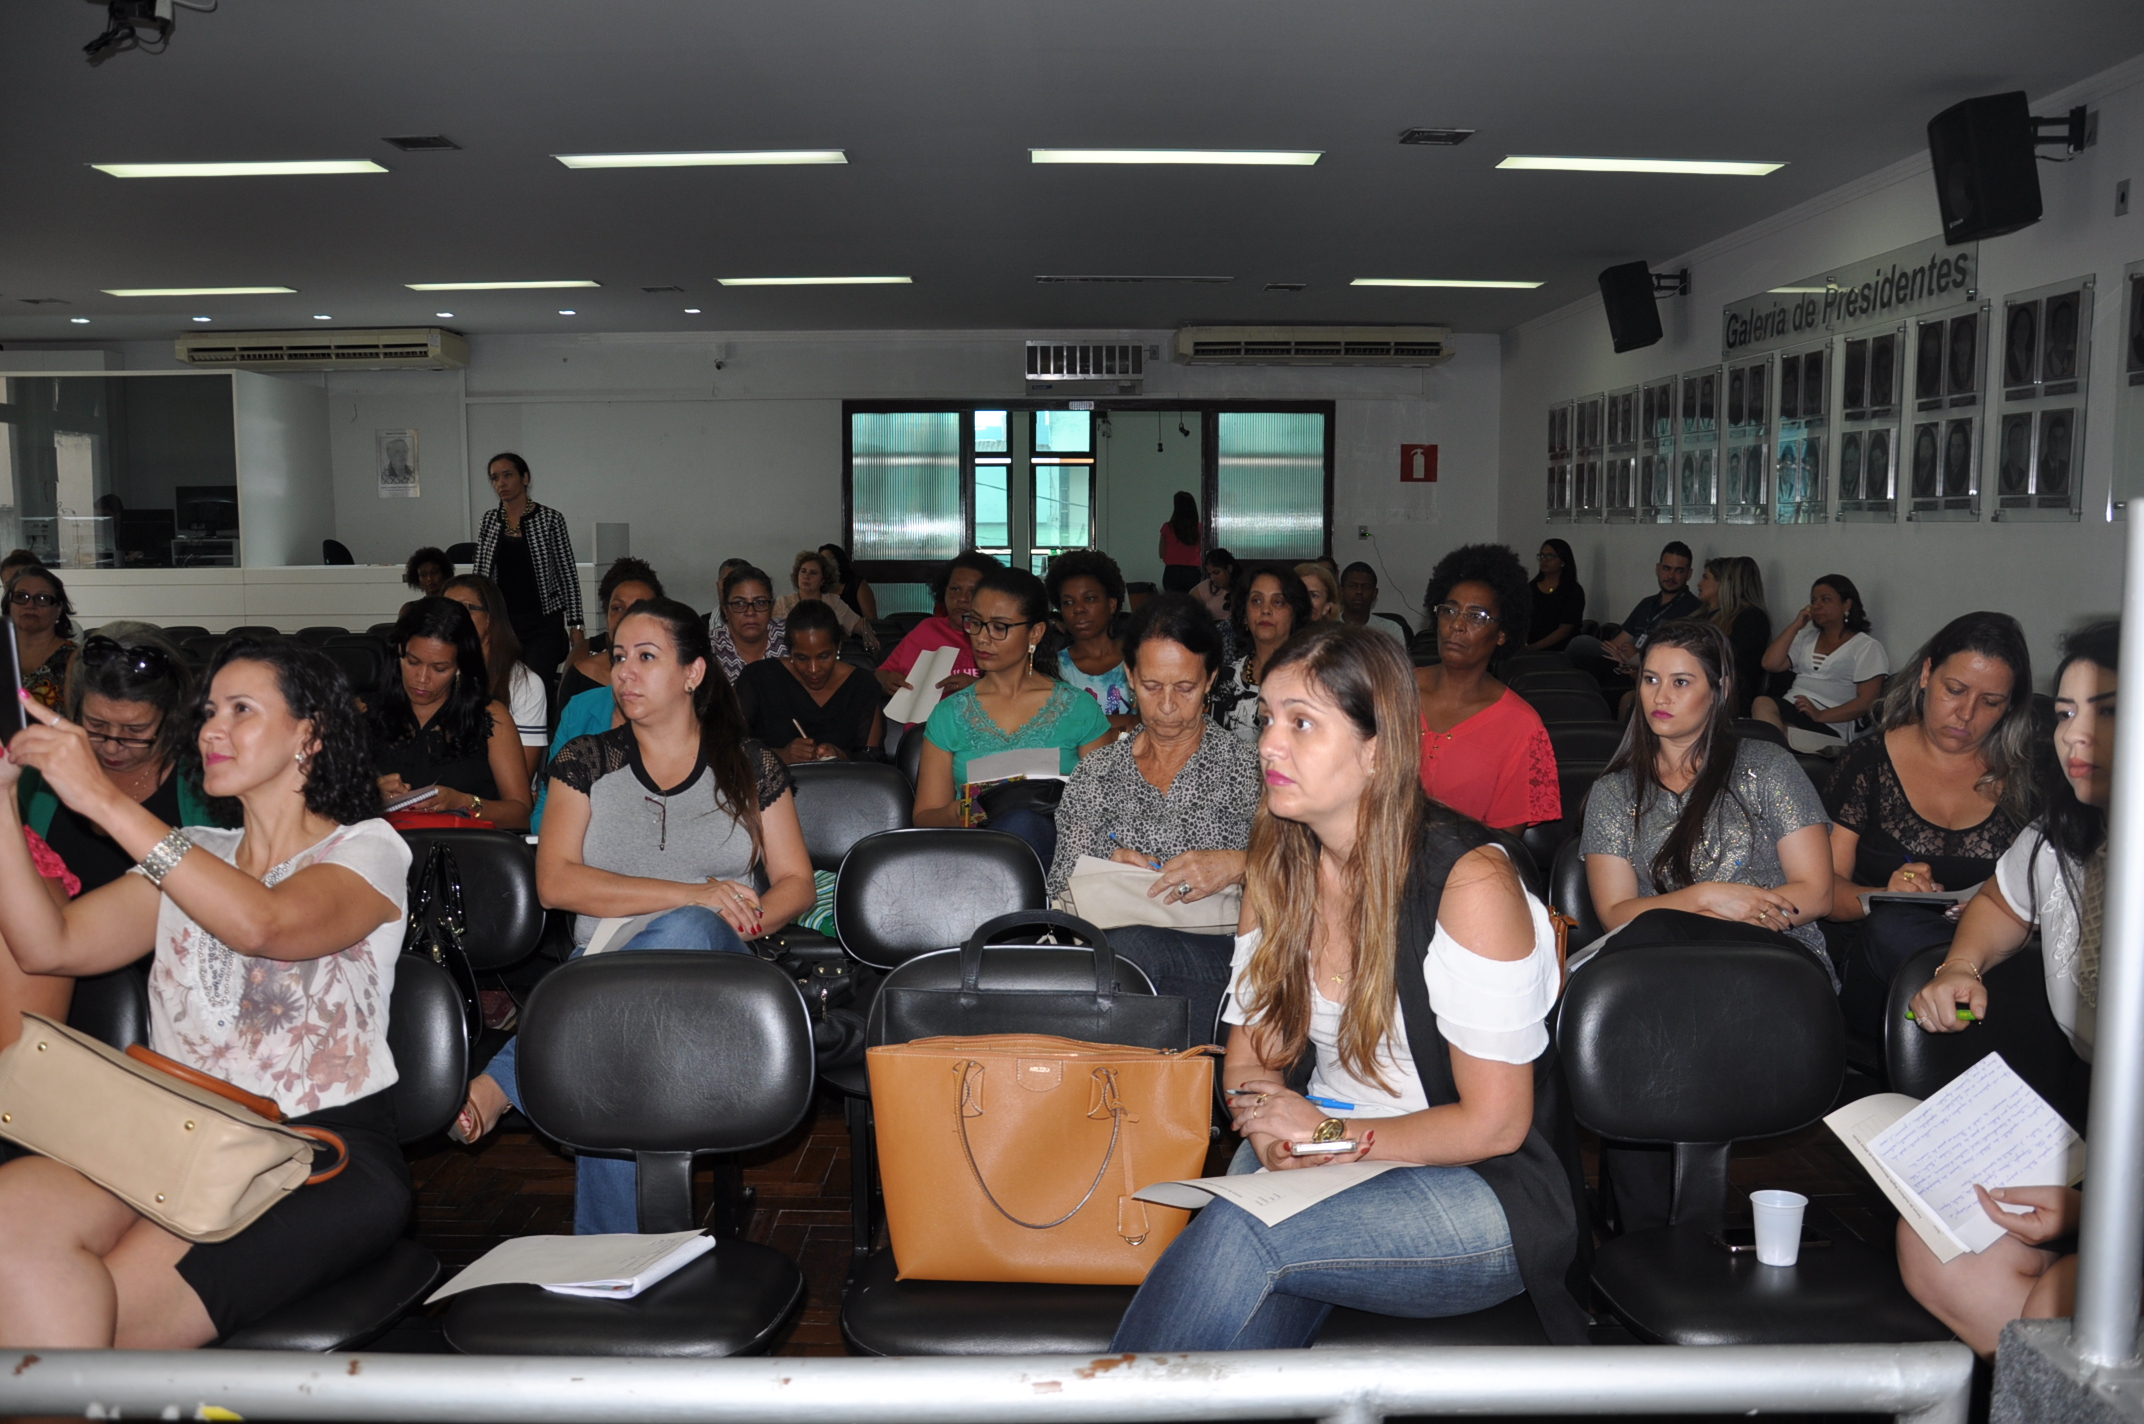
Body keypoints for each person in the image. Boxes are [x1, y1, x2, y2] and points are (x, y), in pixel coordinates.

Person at [1110, 622, 1587, 1350]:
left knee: (1241, 1233)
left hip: (1475, 1190)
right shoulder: (1281, 863)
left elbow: (1495, 1125)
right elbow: (1249, 1061)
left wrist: (1327, 1134)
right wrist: (1268, 1125)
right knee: (1242, 1293)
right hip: (1317, 1150)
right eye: (1268, 718)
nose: (1269, 742)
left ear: (1376, 749)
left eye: (1302, 722)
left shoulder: (1470, 880)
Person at [0, 637, 412, 1348]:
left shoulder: (367, 850)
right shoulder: (197, 851)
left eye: (242, 710)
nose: (213, 728)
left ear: (309, 733)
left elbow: (262, 923)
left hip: (312, 1152)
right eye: (210, 710)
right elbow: (50, 945)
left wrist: (100, 797)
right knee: (12, 1226)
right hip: (174, 1134)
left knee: (97, 1323)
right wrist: (3, 802)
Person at [453, 599, 815, 1234]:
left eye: (647, 657)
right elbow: (555, 883)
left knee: (691, 934)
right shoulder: (585, 762)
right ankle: (610, 1268)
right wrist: (690, 893)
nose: (625, 672)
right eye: (619, 657)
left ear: (693, 673)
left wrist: (730, 917)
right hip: (603, 971)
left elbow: (796, 884)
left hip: (720, 974)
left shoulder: (750, 764)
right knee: (619, 1049)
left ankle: (511, 1073)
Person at [1895, 622, 2114, 1355]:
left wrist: (2092, 1212)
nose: (2077, 736)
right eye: (2067, 714)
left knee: (2058, 1303)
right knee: (1937, 1243)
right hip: (2102, 1125)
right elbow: (2002, 901)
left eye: (2108, 711)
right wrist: (1961, 965)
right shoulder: (2066, 831)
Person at [1578, 618, 1833, 1231]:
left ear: (1717, 692)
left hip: (1769, 970)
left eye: (1682, 682)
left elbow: (1816, 893)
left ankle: (1661, 1235)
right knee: (1634, 1014)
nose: (1660, 697)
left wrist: (1742, 912)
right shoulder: (1616, 792)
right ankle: (1640, 1239)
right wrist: (1708, 897)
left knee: (1646, 1001)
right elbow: (1615, 914)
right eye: (1650, 680)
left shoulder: (1766, 766)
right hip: (1663, 978)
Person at [1045, 594, 1262, 1034]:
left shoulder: (1251, 770)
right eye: (1150, 686)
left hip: (1223, 955)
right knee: (1118, 956)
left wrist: (1240, 866)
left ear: (1210, 681)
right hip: (1113, 960)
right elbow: (1059, 891)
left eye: (1184, 688)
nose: (1166, 705)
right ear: (1129, 677)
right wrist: (1105, 868)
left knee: (1134, 951)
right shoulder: (1097, 773)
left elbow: (1310, 871)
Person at [1826, 612, 2038, 1041]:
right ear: (1926, 675)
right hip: (1881, 965)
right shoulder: (1866, 762)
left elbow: (2053, 890)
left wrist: (2001, 909)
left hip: (1991, 960)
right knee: (1895, 926)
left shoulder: (2028, 779)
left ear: (2010, 706)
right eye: (1954, 690)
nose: (1965, 713)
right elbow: (1823, 891)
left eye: (1991, 702)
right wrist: (1881, 897)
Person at [912, 567, 1112, 867]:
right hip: (974, 855)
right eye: (975, 623)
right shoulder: (950, 714)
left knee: (1022, 824)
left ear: (1035, 633)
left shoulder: (1079, 709)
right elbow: (925, 818)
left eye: (999, 627)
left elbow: (1107, 809)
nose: (982, 638)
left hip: (1060, 858)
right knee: (1014, 827)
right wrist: (962, 811)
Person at [17, 625, 220, 894]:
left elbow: (210, 888)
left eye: (135, 731)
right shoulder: (38, 777)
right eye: (96, 725)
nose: (112, 747)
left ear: (172, 717)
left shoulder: (206, 784)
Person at [1413, 545, 1559, 833]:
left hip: (1464, 871)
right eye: (1449, 610)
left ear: (1503, 634)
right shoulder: (1391, 689)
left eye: (1476, 616)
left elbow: (1504, 844)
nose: (1456, 625)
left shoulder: (1520, 725)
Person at [367, 598, 532, 831]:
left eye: (439, 668)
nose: (422, 679)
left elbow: (522, 814)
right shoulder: (365, 713)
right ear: (399, 654)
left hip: (466, 856)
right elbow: (321, 808)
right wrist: (369, 797)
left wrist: (465, 803)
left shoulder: (490, 717)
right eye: (413, 662)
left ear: (460, 667)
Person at [472, 452, 584, 688]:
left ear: (525, 478)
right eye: (494, 478)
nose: (501, 483)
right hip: (503, 624)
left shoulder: (551, 519)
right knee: (499, 687)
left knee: (535, 687)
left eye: (508, 475)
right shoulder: (490, 521)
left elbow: (567, 574)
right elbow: (480, 574)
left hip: (543, 624)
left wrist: (576, 625)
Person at [735, 599, 886, 763]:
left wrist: (841, 756)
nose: (813, 669)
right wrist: (781, 755)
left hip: (842, 786)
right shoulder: (758, 678)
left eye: (824, 656)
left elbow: (873, 760)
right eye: (801, 658)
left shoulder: (863, 685)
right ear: (789, 650)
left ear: (839, 646)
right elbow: (729, 746)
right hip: (770, 787)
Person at [1754, 574, 1888, 751]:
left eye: (1825, 600)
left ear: (1847, 604)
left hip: (1831, 724)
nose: (1816, 606)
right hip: (1791, 712)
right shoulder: (1806, 638)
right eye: (1813, 600)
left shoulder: (1866, 646)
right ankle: (1774, 765)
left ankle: (1771, 766)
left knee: (1771, 722)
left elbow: (1866, 703)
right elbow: (1770, 664)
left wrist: (1820, 715)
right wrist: (1796, 626)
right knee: (1771, 720)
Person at [442, 574, 546, 784]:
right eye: (444, 609)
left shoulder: (525, 685)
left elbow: (519, 781)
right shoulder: (437, 675)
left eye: (463, 608)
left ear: (490, 618)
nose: (450, 618)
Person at [875, 550, 998, 704]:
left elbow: (1019, 690)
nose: (961, 599)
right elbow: (880, 674)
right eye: (955, 589)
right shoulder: (927, 630)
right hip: (922, 723)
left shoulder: (999, 636)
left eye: (972, 592)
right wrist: (887, 680)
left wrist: (978, 687)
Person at [1210, 565, 1312, 743]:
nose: (1266, 610)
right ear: (1244, 616)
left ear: (1295, 613)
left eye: (1278, 602)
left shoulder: (1313, 680)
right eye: (1256, 601)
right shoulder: (1224, 680)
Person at [1566, 541, 1699, 675]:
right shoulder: (1647, 604)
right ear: (1657, 569)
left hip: (1651, 671)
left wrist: (1638, 657)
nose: (1671, 576)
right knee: (1580, 650)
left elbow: (1681, 658)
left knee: (1580, 645)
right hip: (1622, 663)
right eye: (1666, 568)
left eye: (1679, 571)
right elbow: (1617, 644)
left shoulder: (1693, 609)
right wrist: (1619, 654)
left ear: (1689, 574)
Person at [1046, 549, 1137, 732]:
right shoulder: (1053, 668)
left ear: (1112, 604)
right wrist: (1126, 721)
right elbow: (1059, 731)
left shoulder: (1138, 658)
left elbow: (1152, 723)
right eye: (1068, 602)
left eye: (1089, 599)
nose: (1078, 609)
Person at [558, 557, 665, 710]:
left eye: (638, 607)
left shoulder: (674, 673)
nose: (626, 617)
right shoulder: (582, 672)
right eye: (617, 608)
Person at [1698, 556, 1771, 719]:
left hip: (1727, 693)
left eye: (1705, 577)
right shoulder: (1704, 615)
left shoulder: (1753, 618)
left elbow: (1736, 663)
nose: (1698, 584)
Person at [6, 564, 78, 709]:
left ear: (58, 609)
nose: (30, 605)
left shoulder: (76, 661)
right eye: (21, 596)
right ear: (9, 605)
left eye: (42, 598)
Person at [774, 550, 878, 650]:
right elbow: (773, 636)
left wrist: (869, 636)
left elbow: (857, 624)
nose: (806, 576)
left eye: (813, 573)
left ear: (823, 580)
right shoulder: (783, 602)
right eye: (803, 571)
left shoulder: (833, 602)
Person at [708, 564, 787, 684]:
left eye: (760, 603)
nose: (750, 612)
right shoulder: (709, 648)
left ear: (771, 607)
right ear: (725, 610)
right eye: (739, 604)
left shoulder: (791, 638)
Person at [1525, 539, 1584, 652]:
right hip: (1530, 646)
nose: (1544, 560)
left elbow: (1565, 629)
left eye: (1550, 556)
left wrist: (1533, 648)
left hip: (1561, 651)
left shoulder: (1572, 590)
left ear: (1563, 561)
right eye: (1541, 556)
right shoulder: (1530, 588)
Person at [1338, 562, 1407, 646]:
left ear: (1374, 594)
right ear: (1341, 591)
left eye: (1366, 587)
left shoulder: (1391, 630)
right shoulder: (1327, 628)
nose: (1359, 592)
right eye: (1353, 586)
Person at [818, 543, 877, 622]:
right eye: (820, 561)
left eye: (827, 560)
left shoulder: (856, 584)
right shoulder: (818, 585)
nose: (824, 565)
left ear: (839, 562)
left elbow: (871, 620)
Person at [1160, 491, 1204, 593]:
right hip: (1193, 572)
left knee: (1174, 604)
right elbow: (1202, 549)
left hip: (1172, 573)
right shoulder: (1199, 528)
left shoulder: (1167, 527)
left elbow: (1161, 553)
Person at [399, 546, 453, 617]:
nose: (429, 578)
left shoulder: (454, 607)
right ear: (417, 579)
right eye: (423, 575)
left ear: (444, 574)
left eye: (434, 572)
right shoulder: (409, 609)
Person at [1189, 547, 1237, 623]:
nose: (1213, 578)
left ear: (1229, 568)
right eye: (1210, 574)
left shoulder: (1244, 586)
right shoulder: (1207, 586)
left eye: (1217, 573)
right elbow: (1188, 606)